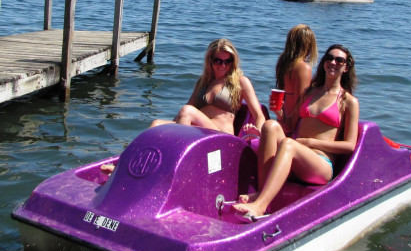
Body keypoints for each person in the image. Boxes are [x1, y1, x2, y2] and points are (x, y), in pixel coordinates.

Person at [233, 44, 359, 220]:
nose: (333, 62)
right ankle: (263, 194)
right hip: (296, 154)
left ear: (346, 67)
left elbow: (349, 146)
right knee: (270, 126)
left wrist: (308, 142)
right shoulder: (310, 93)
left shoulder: (348, 101)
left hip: (320, 164)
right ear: (323, 63)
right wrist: (280, 113)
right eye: (329, 58)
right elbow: (289, 126)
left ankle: (260, 205)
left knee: (289, 143)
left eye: (340, 60)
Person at [150, 38, 266, 135]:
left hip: (221, 134)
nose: (223, 65)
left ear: (233, 62)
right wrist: (169, 127)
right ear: (210, 60)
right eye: (218, 61)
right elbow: (186, 109)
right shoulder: (203, 81)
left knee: (187, 111)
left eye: (227, 61)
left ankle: (178, 153)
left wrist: (257, 133)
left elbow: (259, 115)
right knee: (156, 124)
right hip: (200, 130)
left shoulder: (240, 82)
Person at [272, 24, 318, 136]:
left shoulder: (283, 63)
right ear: (309, 44)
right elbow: (300, 102)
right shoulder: (303, 67)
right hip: (295, 126)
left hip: (283, 119)